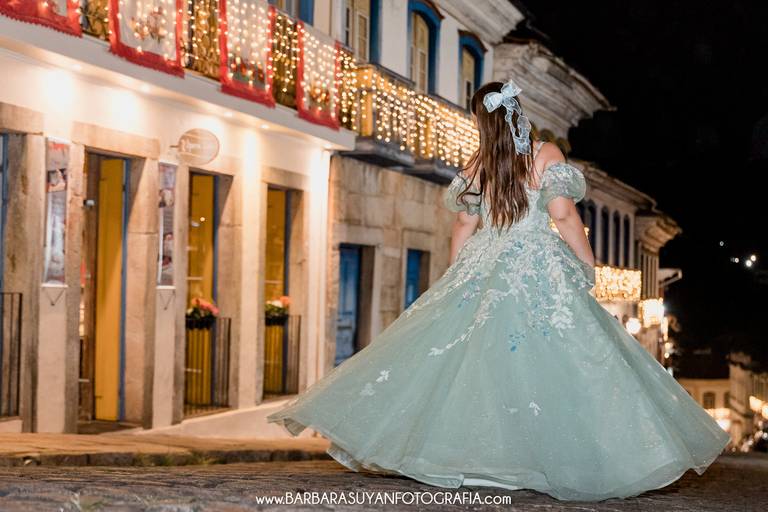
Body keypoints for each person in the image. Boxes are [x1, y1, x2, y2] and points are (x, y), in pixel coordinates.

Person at [267, 80, 730, 501]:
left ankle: (472, 457)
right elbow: (563, 214)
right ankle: (546, 457)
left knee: (470, 359)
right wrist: (586, 263)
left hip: (485, 259)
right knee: (563, 355)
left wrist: (458, 272)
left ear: (482, 122)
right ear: (518, 114)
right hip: (536, 260)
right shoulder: (545, 154)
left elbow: (463, 223)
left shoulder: (478, 163)